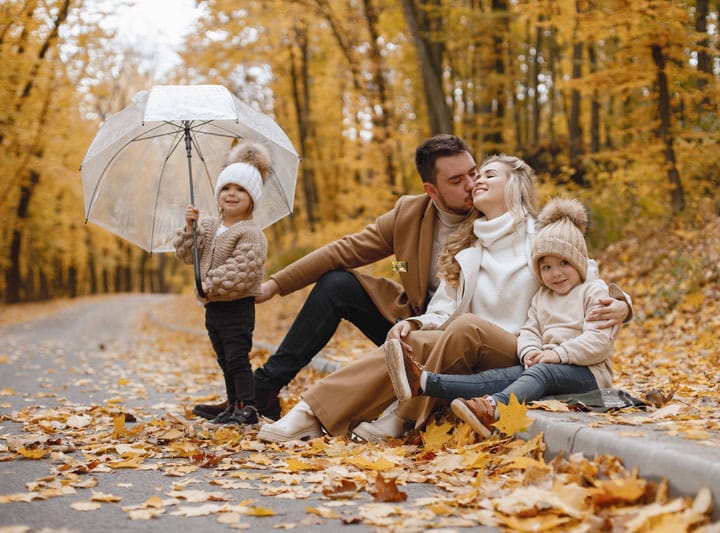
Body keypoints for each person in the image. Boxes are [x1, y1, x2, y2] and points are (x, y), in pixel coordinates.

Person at [193, 135, 628, 431]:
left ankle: (395, 413)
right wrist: (275, 284)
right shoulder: (410, 214)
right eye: (457, 181)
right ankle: (270, 390)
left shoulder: (499, 212)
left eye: (476, 172)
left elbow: (571, 262)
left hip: (490, 339)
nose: (472, 183)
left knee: (449, 333)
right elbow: (344, 249)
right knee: (337, 284)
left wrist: (621, 303)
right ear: (431, 188)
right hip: (425, 318)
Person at [388, 198, 619, 438]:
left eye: (563, 263)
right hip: (549, 366)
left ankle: (493, 408)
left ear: (579, 262)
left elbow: (598, 342)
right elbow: (530, 330)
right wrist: (529, 351)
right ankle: (424, 382)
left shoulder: (593, 291)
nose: (556, 273)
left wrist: (556, 354)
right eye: (546, 267)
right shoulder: (542, 297)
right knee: (501, 376)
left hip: (589, 373)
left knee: (543, 373)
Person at [174, 142, 270, 425]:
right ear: (218, 194)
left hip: (237, 308)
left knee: (238, 356)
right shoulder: (208, 226)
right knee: (223, 358)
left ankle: (248, 406)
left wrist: (207, 284)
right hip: (213, 307)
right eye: (227, 188)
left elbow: (241, 271)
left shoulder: (251, 234)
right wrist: (190, 228)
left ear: (252, 199)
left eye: (241, 190)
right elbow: (184, 254)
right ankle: (232, 403)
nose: (232, 194)